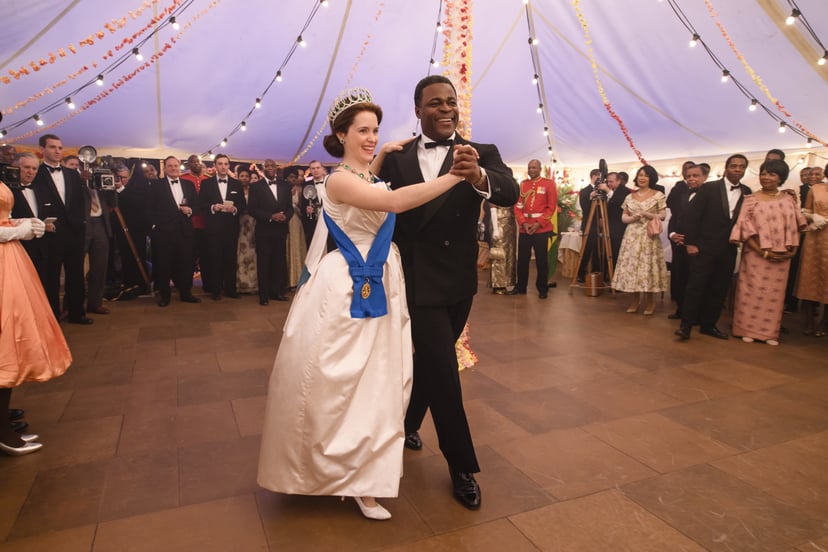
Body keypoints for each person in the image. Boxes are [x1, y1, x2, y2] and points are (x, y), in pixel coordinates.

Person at [257, 88, 465, 521]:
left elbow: (375, 179)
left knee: (376, 381)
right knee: (338, 380)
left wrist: (384, 152)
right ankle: (322, 471)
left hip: (384, 280)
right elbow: (392, 201)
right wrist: (454, 177)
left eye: (375, 130)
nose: (371, 137)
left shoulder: (368, 173)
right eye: (363, 130)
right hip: (346, 287)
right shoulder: (338, 179)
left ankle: (364, 479)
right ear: (341, 134)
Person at [377, 75, 519, 510]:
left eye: (451, 102)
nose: (445, 109)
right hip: (416, 279)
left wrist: (476, 175)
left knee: (431, 359)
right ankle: (462, 466)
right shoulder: (398, 158)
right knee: (442, 365)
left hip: (459, 280)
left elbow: (510, 193)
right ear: (418, 110)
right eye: (435, 103)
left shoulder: (480, 152)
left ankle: (408, 422)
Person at [1, 179, 72, 456]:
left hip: (10, 259)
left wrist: (23, 222)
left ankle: (3, 420)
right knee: (6, 342)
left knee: (13, 341)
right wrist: (16, 231)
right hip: (4, 257)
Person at [675, 154, 752, 340]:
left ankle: (709, 325)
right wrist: (691, 243)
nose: (737, 169)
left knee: (719, 288)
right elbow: (692, 217)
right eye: (733, 166)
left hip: (728, 248)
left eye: (741, 167)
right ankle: (686, 326)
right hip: (703, 247)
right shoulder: (710, 188)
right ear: (726, 168)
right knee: (695, 287)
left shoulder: (747, 191)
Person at [730, 160, 806, 346]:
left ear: (781, 178)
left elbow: (795, 226)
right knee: (751, 290)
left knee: (775, 294)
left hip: (781, 255)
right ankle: (745, 329)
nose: (766, 177)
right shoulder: (751, 199)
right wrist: (762, 252)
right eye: (764, 173)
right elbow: (744, 228)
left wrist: (792, 251)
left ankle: (770, 332)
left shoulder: (788, 199)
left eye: (772, 174)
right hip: (755, 254)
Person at [33, 134, 93, 324]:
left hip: (74, 232)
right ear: (42, 149)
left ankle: (77, 313)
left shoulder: (71, 174)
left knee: (75, 275)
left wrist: (80, 225)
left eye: (59, 147)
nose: (57, 151)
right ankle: (52, 317)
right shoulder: (37, 173)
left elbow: (80, 202)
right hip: (51, 233)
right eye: (52, 147)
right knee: (51, 277)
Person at [611, 165, 668, 315]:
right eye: (640, 175)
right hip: (632, 236)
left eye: (646, 175)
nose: (642, 178)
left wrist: (649, 215)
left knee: (647, 268)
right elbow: (623, 217)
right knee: (632, 268)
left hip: (649, 236)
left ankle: (650, 302)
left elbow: (663, 215)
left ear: (651, 178)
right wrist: (632, 218)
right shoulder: (629, 196)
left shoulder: (658, 195)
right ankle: (635, 301)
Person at [148, 156, 201, 306]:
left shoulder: (189, 184)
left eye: (176, 166)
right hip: (164, 232)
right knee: (164, 264)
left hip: (185, 231)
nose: (173, 168)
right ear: (164, 168)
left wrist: (189, 210)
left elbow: (197, 207)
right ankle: (165, 296)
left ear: (180, 167)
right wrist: (154, 226)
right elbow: (149, 208)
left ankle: (186, 293)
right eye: (170, 166)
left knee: (186, 263)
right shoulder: (156, 185)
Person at [198, 154, 246, 300]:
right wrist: (213, 206)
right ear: (215, 165)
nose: (223, 167)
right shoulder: (206, 184)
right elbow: (201, 205)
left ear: (229, 166)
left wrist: (235, 209)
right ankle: (216, 291)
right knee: (215, 259)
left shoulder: (236, 184)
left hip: (231, 228)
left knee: (230, 260)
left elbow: (242, 205)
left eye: (226, 164)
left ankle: (230, 290)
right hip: (213, 228)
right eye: (220, 164)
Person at [249, 159, 293, 305]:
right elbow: (252, 209)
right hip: (264, 230)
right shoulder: (255, 187)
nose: (269, 168)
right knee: (263, 262)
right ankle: (264, 295)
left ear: (276, 168)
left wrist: (285, 216)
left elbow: (290, 207)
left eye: (272, 166)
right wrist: (271, 217)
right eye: (266, 166)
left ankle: (277, 292)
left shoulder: (285, 185)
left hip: (280, 230)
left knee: (278, 262)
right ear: (263, 169)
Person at [667, 163, 708, 320]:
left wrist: (695, 242)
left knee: (696, 282)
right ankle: (681, 310)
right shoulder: (682, 195)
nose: (691, 179)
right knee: (680, 278)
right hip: (680, 245)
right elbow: (675, 218)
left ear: (704, 177)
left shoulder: (711, 196)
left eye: (695, 175)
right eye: (689, 176)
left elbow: (710, 224)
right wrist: (672, 234)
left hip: (699, 247)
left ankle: (696, 315)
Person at [511, 159, 556, 298]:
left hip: (541, 229)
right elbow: (517, 207)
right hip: (525, 228)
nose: (531, 170)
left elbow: (551, 207)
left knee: (541, 261)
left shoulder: (548, 184)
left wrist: (538, 223)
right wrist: (523, 223)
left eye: (534, 168)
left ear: (540, 169)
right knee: (522, 260)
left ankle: (542, 289)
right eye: (529, 168)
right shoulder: (523, 184)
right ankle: (521, 287)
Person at [795, 163, 828, 336]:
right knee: (809, 278)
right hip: (815, 237)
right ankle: (808, 320)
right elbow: (805, 211)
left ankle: (824, 322)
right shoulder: (816, 189)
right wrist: (813, 216)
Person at [10, 153, 49, 281]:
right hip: (17, 248)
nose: (30, 172)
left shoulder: (40, 189)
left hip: (41, 249)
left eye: (34, 168)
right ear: (15, 167)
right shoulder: (6, 191)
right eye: (26, 167)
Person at [180, 154, 211, 293]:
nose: (196, 164)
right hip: (190, 224)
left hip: (206, 223)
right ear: (189, 164)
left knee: (206, 256)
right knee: (188, 257)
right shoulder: (183, 179)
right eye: (192, 162)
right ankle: (185, 286)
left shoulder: (208, 180)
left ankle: (208, 284)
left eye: (198, 161)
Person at [576, 169, 602, 282]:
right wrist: (591, 197)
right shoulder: (585, 191)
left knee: (598, 250)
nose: (600, 180)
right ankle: (580, 273)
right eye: (598, 177)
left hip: (600, 224)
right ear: (593, 176)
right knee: (586, 250)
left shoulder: (603, 190)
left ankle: (597, 273)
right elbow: (584, 208)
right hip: (589, 224)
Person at [235, 167, 257, 294]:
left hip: (253, 223)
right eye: (242, 175)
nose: (244, 178)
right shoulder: (235, 190)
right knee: (240, 252)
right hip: (239, 223)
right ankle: (240, 283)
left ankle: (252, 284)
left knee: (253, 252)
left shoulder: (254, 190)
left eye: (246, 176)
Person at [285, 167, 307, 288]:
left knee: (297, 247)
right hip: (285, 221)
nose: (293, 179)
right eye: (290, 177)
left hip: (296, 221)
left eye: (295, 177)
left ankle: (297, 278)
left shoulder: (301, 190)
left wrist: (295, 208)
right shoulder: (282, 189)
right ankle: (287, 280)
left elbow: (302, 209)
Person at [604, 170, 631, 268]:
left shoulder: (626, 191)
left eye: (611, 182)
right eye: (608, 182)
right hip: (608, 226)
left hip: (619, 227)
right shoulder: (610, 191)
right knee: (608, 251)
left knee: (617, 251)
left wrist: (608, 191)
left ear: (619, 181)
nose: (609, 184)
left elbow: (620, 205)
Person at [300, 160, 327, 247]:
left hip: (330, 222)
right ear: (310, 171)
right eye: (313, 168)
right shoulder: (306, 186)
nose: (315, 170)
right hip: (313, 223)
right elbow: (302, 206)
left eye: (318, 168)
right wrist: (306, 210)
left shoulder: (330, 183)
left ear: (322, 169)